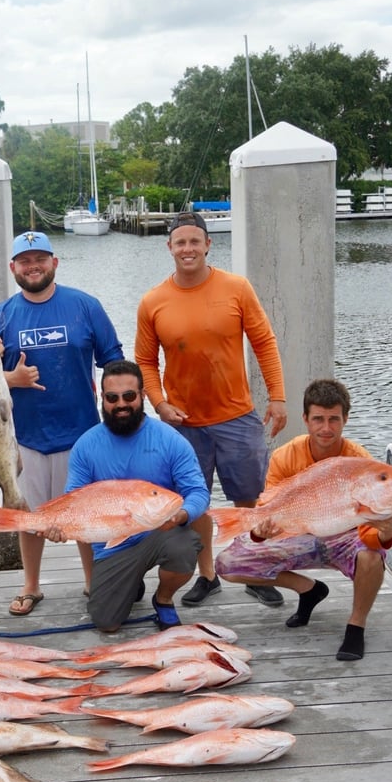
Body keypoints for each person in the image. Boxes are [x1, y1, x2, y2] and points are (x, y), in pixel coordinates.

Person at [135, 210, 288, 610]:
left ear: (208, 244)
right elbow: (145, 362)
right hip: (183, 423)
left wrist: (278, 395)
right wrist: (159, 403)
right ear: (169, 247)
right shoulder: (153, 301)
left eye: (194, 241)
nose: (188, 249)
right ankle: (208, 574)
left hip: (237, 415)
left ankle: (256, 570)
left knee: (250, 497)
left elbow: (264, 343)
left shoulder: (236, 288)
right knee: (194, 499)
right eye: (180, 242)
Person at [0, 230, 123, 617]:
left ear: (54, 263)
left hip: (81, 434)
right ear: (13, 268)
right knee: (29, 516)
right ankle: (31, 586)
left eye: (40, 259)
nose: (33, 266)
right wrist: (11, 377)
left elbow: (112, 360)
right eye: (25, 261)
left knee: (84, 516)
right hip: (25, 436)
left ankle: (93, 582)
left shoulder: (85, 306)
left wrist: (120, 414)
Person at [214, 379, 392, 661]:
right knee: (227, 565)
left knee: (373, 556)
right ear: (305, 419)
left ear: (345, 419)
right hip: (298, 532)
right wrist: (260, 530)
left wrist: (387, 534)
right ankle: (309, 590)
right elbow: (269, 510)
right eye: (318, 419)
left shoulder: (361, 462)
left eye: (334, 419)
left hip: (344, 538)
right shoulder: (285, 456)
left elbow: (371, 536)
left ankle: (356, 626)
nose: (326, 428)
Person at [53, 359, 210, 633]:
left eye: (129, 396)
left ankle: (163, 599)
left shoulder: (170, 440)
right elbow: (73, 500)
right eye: (112, 398)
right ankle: (130, 580)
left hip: (159, 533)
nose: (121, 404)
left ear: (142, 396)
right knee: (106, 622)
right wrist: (59, 526)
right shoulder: (85, 446)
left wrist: (183, 514)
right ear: (102, 398)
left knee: (184, 546)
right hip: (112, 546)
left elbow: (197, 492)